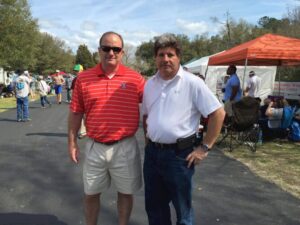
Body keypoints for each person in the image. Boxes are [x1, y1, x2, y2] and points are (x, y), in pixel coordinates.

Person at [142, 33, 225, 225]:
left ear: (178, 57)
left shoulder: (193, 83)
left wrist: (204, 148)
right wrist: (148, 143)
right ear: (155, 58)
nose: (165, 59)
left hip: (179, 156)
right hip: (153, 155)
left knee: (183, 210)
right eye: (161, 55)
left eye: (170, 54)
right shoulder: (149, 85)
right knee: (155, 208)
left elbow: (218, 114)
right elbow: (146, 116)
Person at [68, 31, 145, 225]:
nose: (111, 52)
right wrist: (72, 143)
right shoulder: (84, 79)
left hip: (125, 145)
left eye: (116, 49)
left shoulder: (135, 79)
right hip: (95, 146)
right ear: (99, 50)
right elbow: (76, 112)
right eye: (106, 48)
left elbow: (152, 109)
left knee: (126, 193)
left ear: (122, 52)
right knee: (91, 193)